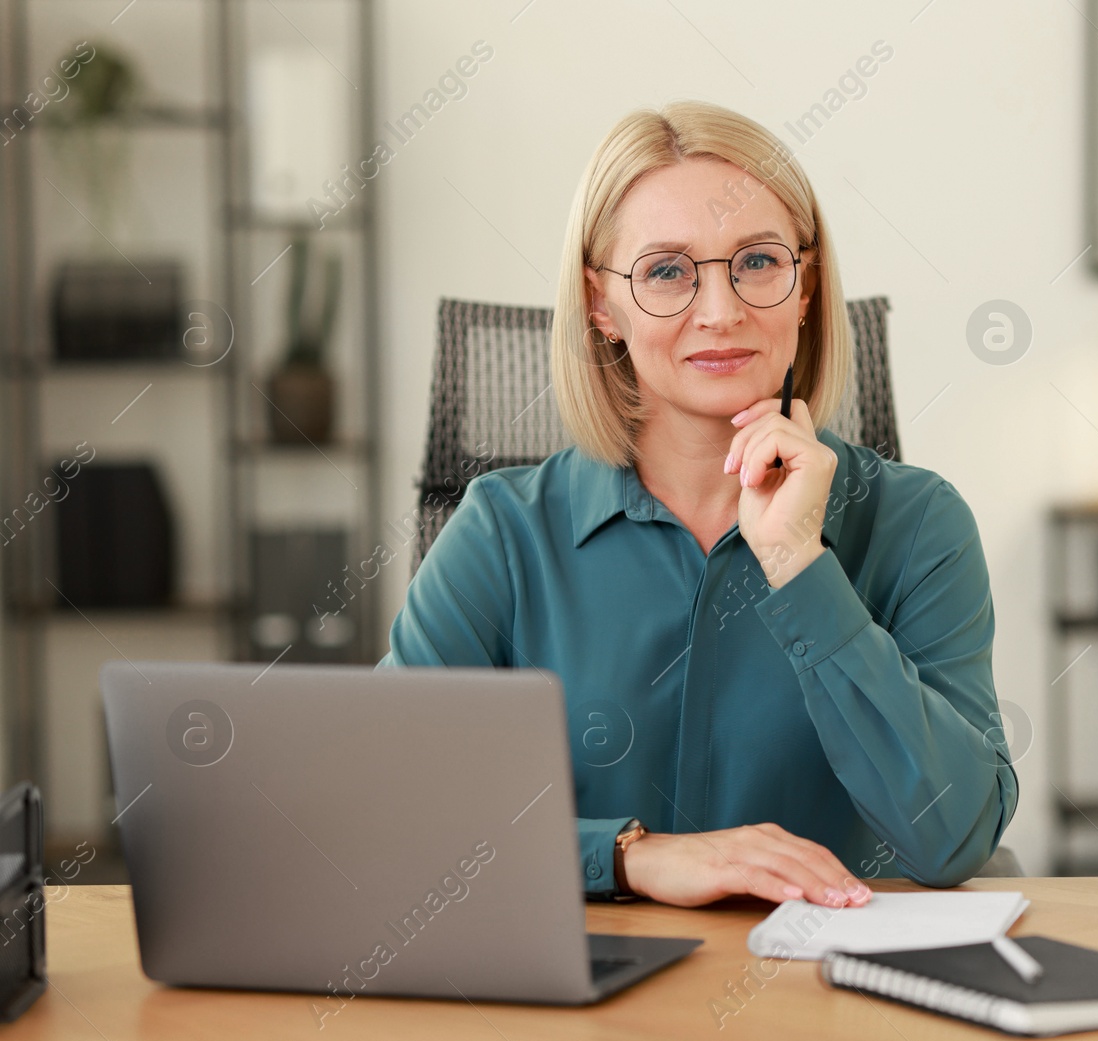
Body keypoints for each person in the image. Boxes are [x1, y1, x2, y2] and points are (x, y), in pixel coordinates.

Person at [380, 100, 1017, 909]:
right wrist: (630, 857)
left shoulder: (919, 523)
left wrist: (799, 564)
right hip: (577, 1005)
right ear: (601, 307)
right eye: (667, 272)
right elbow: (386, 808)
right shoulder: (503, 533)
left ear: (806, 286)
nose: (720, 311)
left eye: (756, 261)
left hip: (827, 1003)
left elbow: (953, 836)